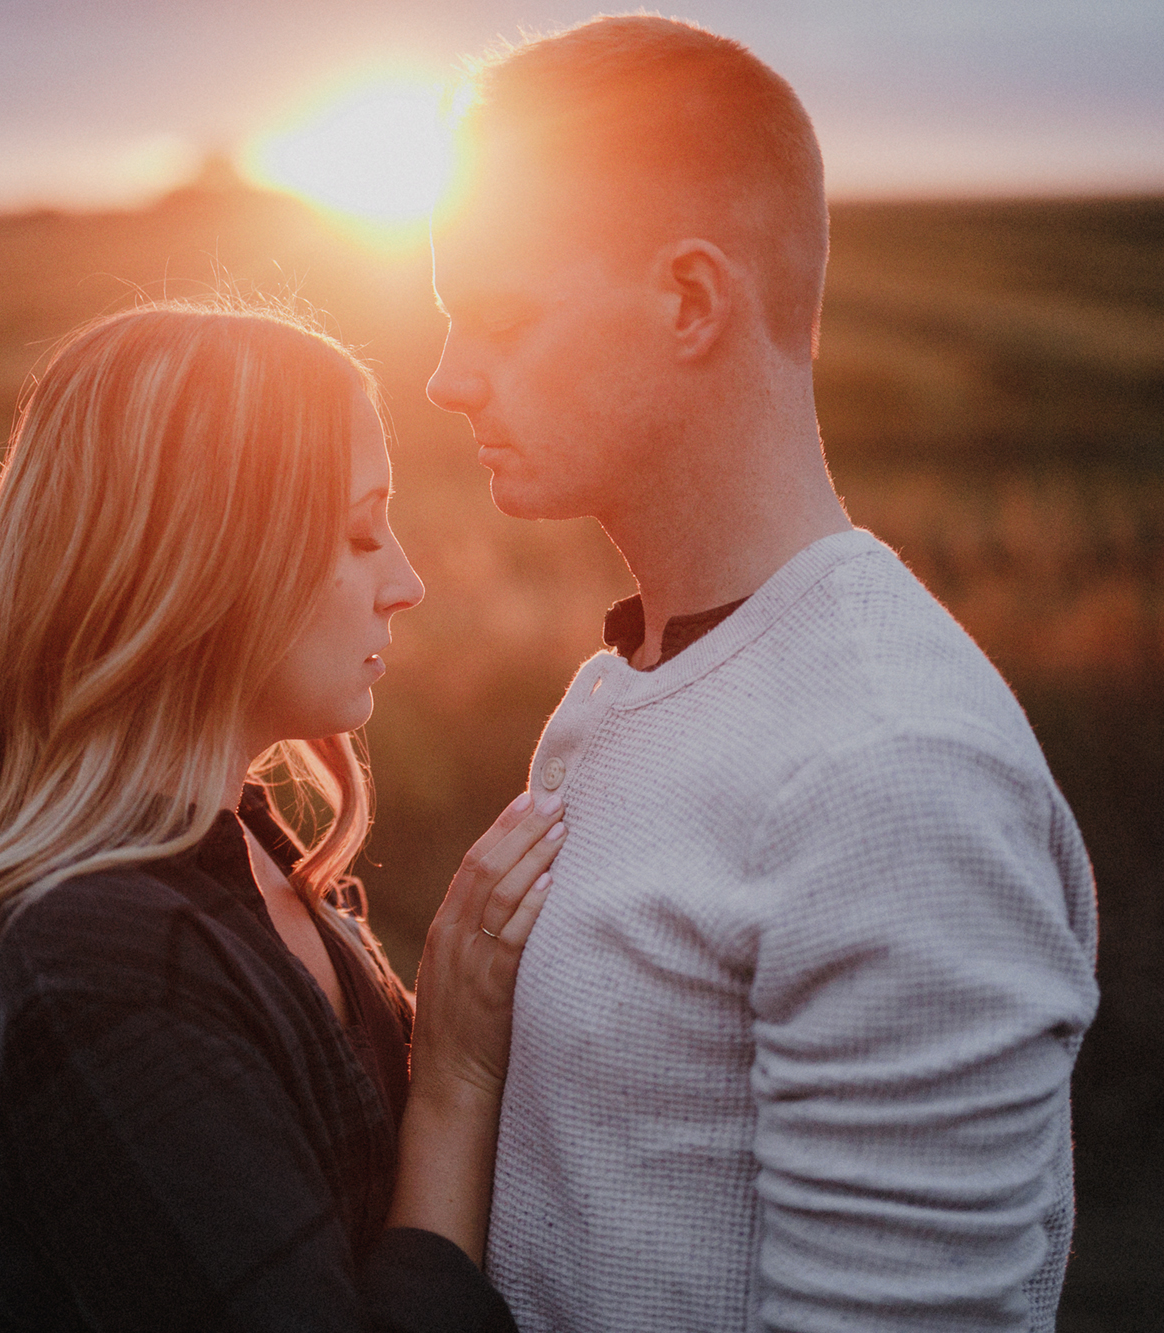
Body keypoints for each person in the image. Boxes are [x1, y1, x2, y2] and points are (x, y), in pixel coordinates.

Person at [425, 16, 1099, 1332]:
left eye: (498, 316)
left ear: (689, 302)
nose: (448, 377)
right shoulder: (618, 693)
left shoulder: (895, 773)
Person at [0, 302, 564, 1331]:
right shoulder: (90, 968)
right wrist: (453, 1076)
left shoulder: (256, 870)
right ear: (207, 557)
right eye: (359, 530)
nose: (403, 582)